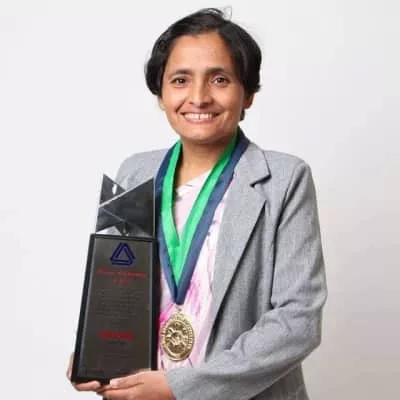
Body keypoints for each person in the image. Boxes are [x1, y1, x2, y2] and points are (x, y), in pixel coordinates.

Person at [67, 7, 327, 400]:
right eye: (180, 80)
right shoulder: (136, 172)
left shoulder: (284, 179)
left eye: (220, 79)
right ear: (161, 94)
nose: (199, 97)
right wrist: (95, 355)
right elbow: (115, 287)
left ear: (248, 93)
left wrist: (183, 388)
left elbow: (298, 320)